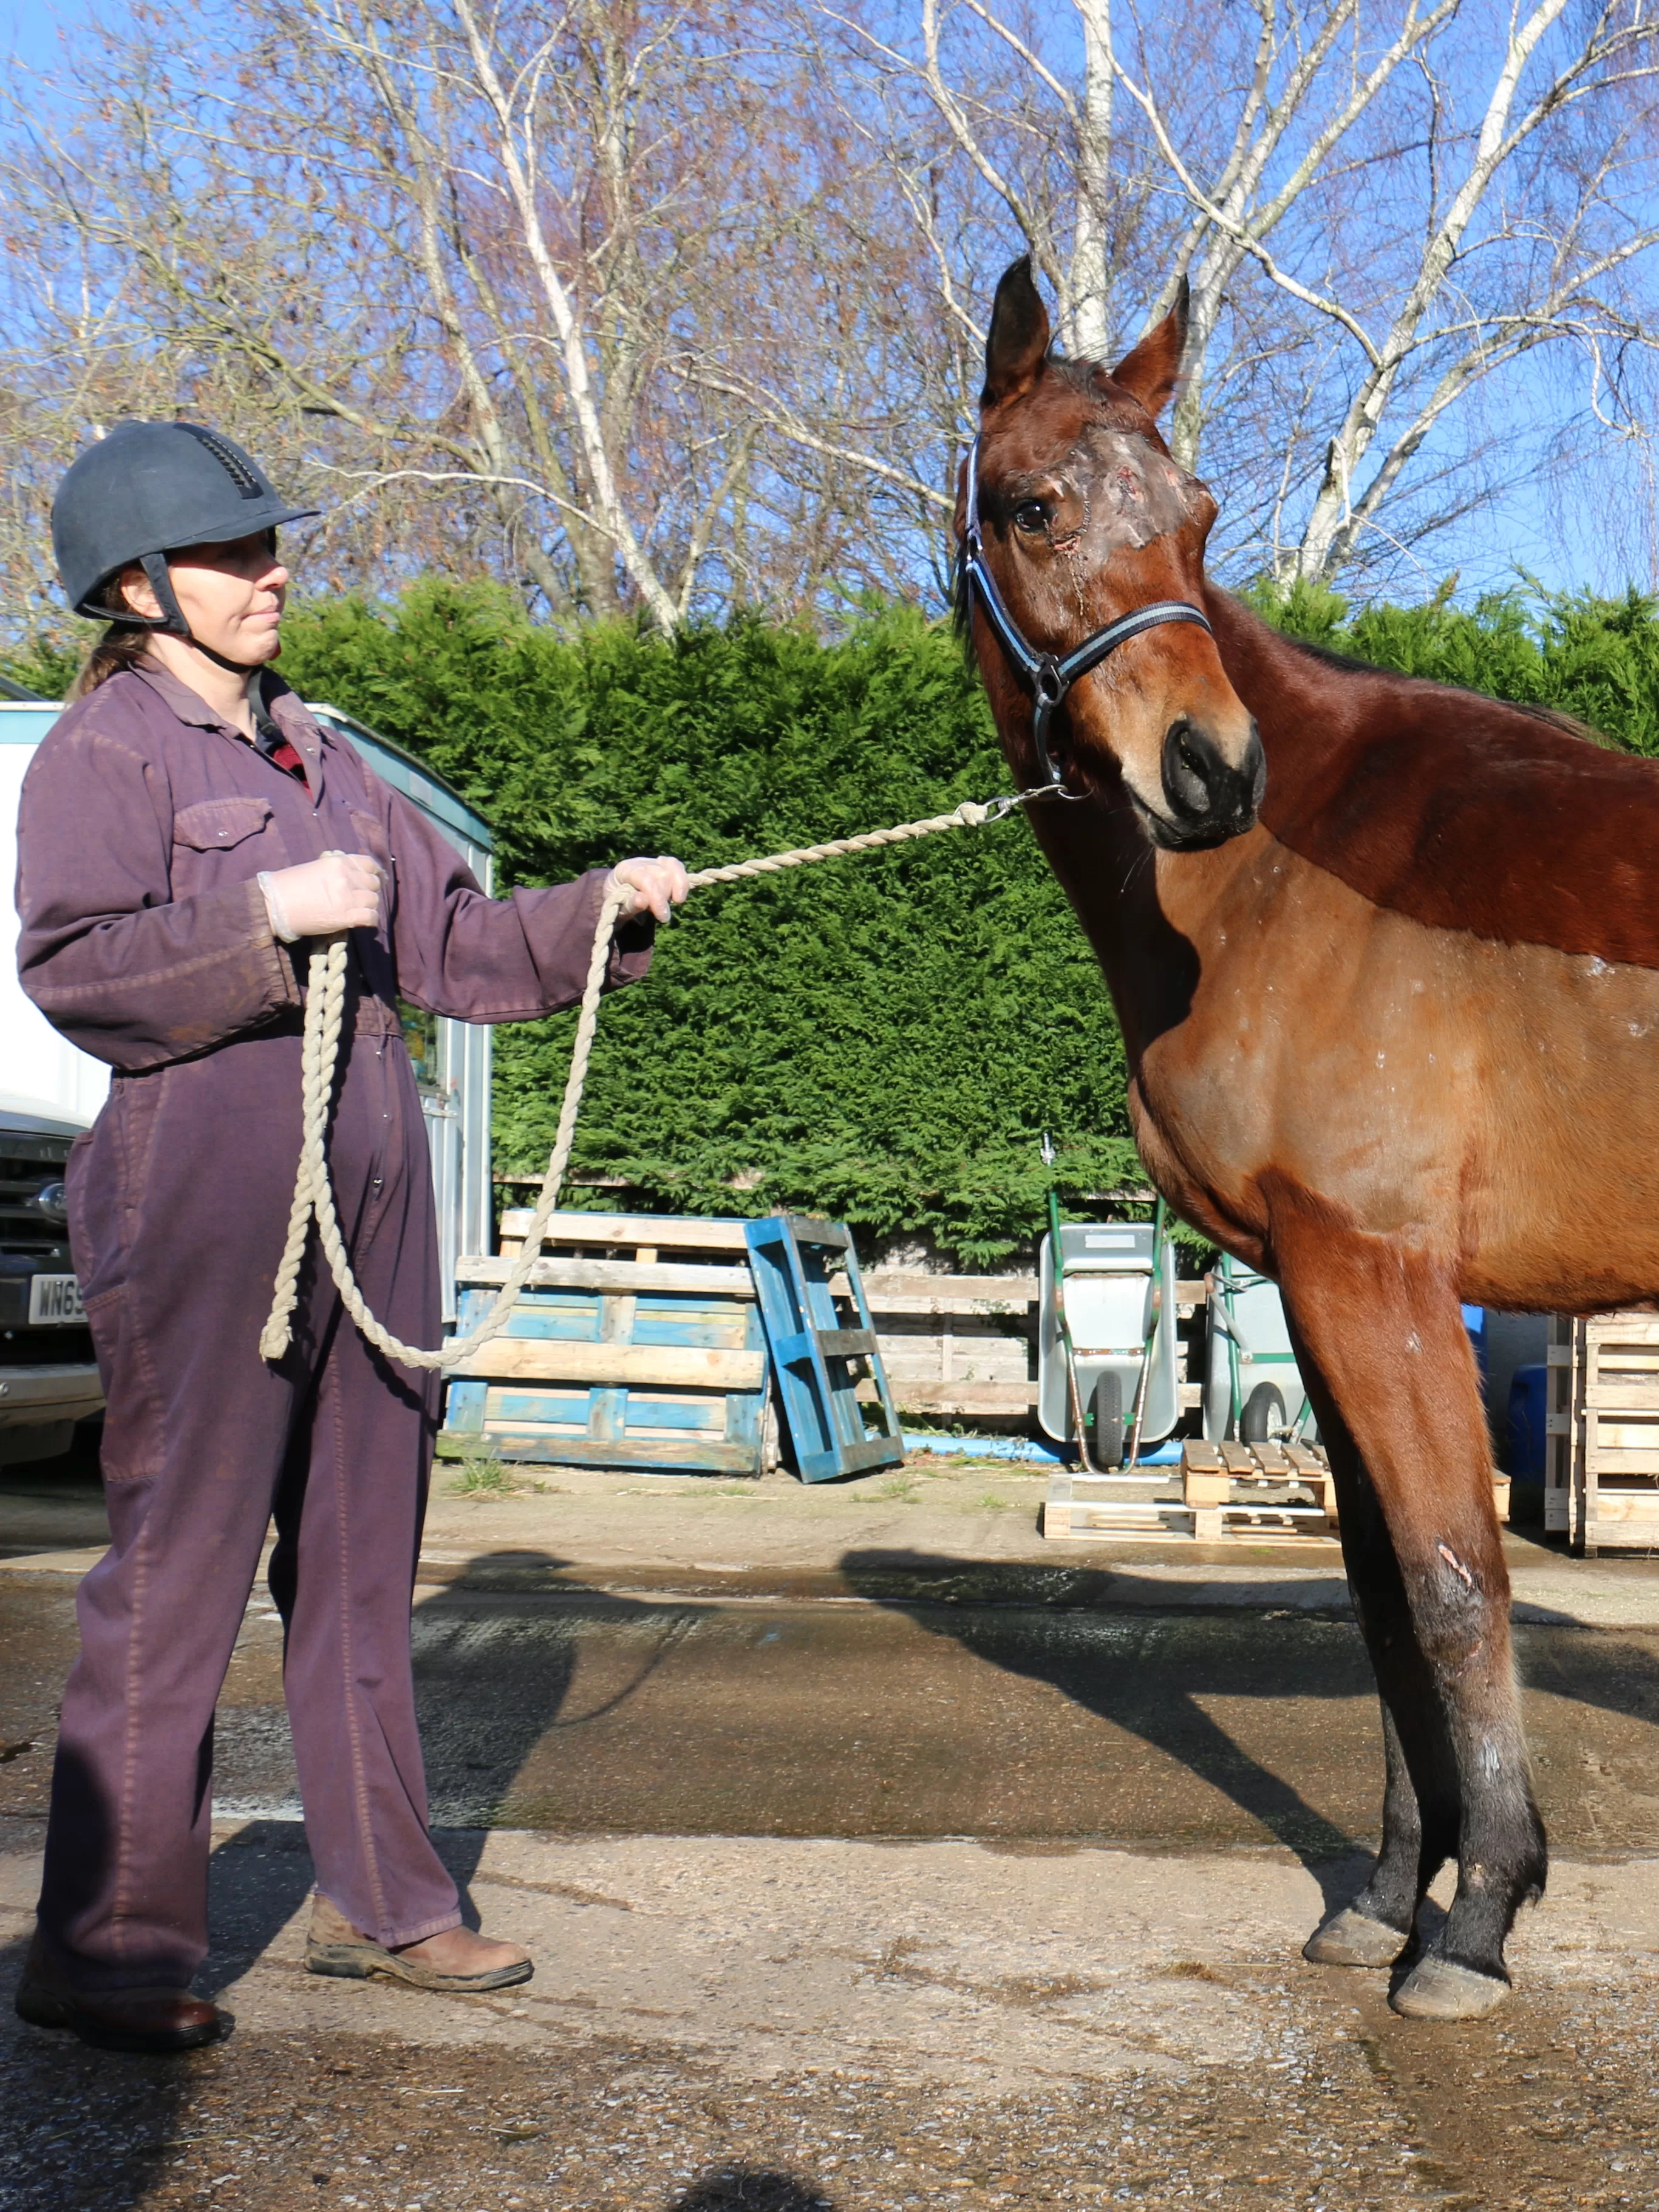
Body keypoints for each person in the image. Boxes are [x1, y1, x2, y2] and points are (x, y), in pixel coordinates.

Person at [10, 421, 688, 2054]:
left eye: (268, 548)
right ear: (136, 583)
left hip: (377, 1210)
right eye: (234, 557)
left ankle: (386, 1903)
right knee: (176, 1578)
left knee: (363, 1569)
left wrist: (599, 912)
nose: (272, 575)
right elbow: (79, 970)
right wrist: (260, 919)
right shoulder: (104, 755)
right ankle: (104, 1946)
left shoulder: (335, 761)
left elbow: (455, 947)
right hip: (202, 1201)